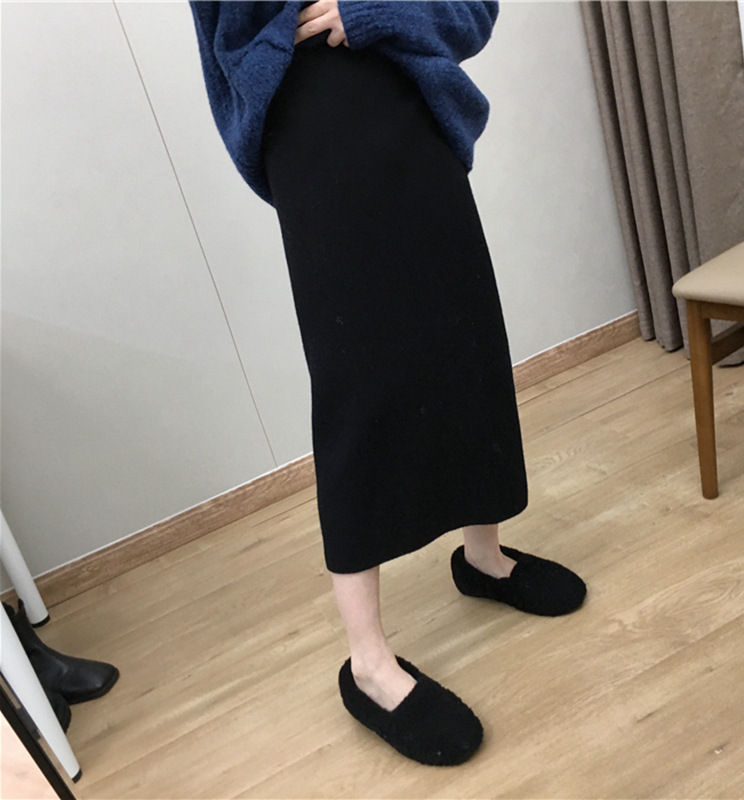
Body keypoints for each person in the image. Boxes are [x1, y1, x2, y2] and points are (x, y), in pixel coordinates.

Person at [190, 0, 586, 765]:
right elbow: (225, 46)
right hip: (312, 126)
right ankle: (368, 663)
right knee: (358, 384)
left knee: (465, 339)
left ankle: (484, 559)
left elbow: (473, 10)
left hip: (412, 107)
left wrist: (374, 8)